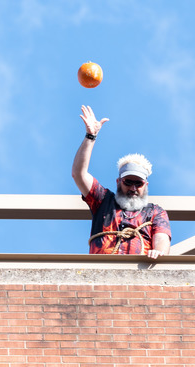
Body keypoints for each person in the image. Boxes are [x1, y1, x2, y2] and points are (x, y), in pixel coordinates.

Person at [71, 105, 171, 259]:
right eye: (128, 182)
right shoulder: (103, 201)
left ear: (146, 185)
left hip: (138, 274)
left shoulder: (155, 212)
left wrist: (159, 252)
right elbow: (79, 174)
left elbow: (162, 240)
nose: (133, 188)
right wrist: (90, 137)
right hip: (102, 272)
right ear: (118, 182)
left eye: (138, 183)